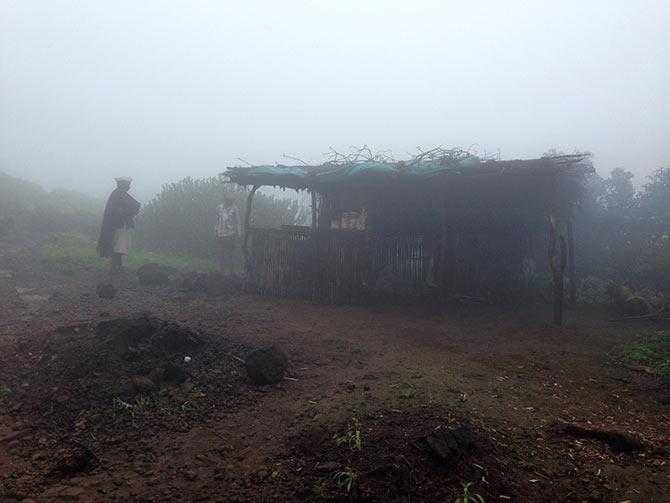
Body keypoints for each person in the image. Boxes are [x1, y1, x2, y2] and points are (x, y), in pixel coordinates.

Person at [97, 177, 141, 274]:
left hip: (121, 224)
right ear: (123, 185)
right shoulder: (118, 195)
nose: (129, 187)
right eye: (128, 185)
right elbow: (130, 208)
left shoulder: (120, 194)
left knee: (119, 246)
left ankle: (118, 266)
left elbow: (135, 206)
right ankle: (114, 268)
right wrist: (127, 211)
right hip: (118, 225)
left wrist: (126, 211)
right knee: (118, 246)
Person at [215, 192, 242, 274]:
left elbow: (238, 222)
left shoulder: (235, 209)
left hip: (230, 235)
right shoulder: (219, 208)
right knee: (220, 254)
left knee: (230, 255)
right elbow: (217, 220)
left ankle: (231, 273)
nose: (229, 201)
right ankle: (221, 273)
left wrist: (239, 234)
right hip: (220, 234)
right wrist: (215, 232)